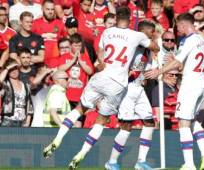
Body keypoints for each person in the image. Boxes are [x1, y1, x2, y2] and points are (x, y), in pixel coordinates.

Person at [43, 7, 159, 170]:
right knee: (102, 121)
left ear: (117, 17)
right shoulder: (137, 36)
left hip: (102, 77)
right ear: (131, 19)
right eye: (151, 32)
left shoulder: (108, 32)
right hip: (120, 85)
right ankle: (84, 153)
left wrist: (101, 60)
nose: (152, 34)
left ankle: (58, 138)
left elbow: (100, 52)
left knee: (80, 108)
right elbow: (155, 47)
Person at [145, 13, 204, 170]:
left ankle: (189, 164)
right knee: (193, 120)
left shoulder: (188, 40)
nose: (177, 30)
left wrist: (159, 71)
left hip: (190, 84)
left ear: (183, 25)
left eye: (178, 26)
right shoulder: (202, 40)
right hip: (202, 83)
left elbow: (177, 62)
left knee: (183, 123)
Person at [105, 20, 156, 170]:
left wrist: (156, 74)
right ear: (142, 33)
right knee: (126, 126)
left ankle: (141, 162)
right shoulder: (129, 48)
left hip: (139, 89)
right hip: (126, 89)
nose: (153, 36)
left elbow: (146, 70)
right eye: (151, 33)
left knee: (149, 122)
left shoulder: (147, 51)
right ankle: (112, 162)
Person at [32, 0, 66, 68]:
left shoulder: (60, 23)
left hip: (56, 62)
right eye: (47, 9)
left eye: (52, 9)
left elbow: (65, 40)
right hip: (39, 63)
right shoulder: (35, 23)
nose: (50, 12)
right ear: (42, 9)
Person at [0, 60, 33, 127]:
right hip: (8, 121)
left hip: (22, 121)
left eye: (16, 68)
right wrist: (7, 68)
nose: (14, 71)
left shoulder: (26, 85)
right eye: (11, 70)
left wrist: (27, 122)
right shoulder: (5, 84)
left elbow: (30, 104)